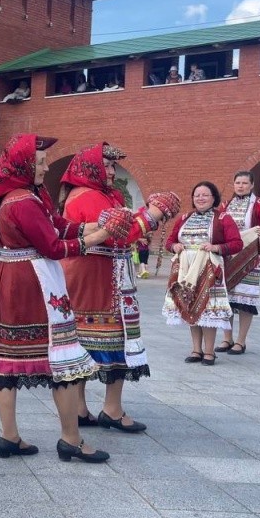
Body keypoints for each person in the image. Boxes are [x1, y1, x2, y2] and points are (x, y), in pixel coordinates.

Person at [0, 133, 116, 464]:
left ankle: (9, 437)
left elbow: (58, 225)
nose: (45, 168)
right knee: (63, 355)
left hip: (10, 280)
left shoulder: (12, 196)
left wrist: (91, 225)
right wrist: (102, 235)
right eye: (40, 163)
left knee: (8, 357)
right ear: (25, 165)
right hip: (36, 282)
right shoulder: (24, 201)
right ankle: (71, 439)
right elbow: (54, 246)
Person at [57, 143, 171, 434]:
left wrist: (144, 215)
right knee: (115, 338)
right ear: (90, 168)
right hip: (98, 279)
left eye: (112, 166)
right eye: (106, 165)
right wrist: (152, 213)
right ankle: (112, 409)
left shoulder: (100, 194)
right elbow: (118, 235)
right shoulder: (88, 195)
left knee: (83, 340)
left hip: (95, 276)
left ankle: (80, 409)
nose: (111, 171)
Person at [162, 182, 243, 366]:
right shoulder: (184, 218)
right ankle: (196, 349)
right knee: (190, 305)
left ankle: (209, 352)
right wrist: (175, 246)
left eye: (205, 195)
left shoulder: (223, 218)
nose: (200, 198)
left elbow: (236, 243)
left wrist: (216, 247)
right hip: (186, 270)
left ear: (214, 198)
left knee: (208, 309)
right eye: (197, 195)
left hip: (209, 269)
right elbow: (169, 241)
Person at [216, 170, 260, 355]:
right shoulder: (226, 205)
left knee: (245, 299)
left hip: (250, 257)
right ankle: (227, 338)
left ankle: (241, 341)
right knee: (226, 298)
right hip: (228, 256)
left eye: (244, 183)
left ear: (252, 185)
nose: (240, 186)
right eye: (237, 183)